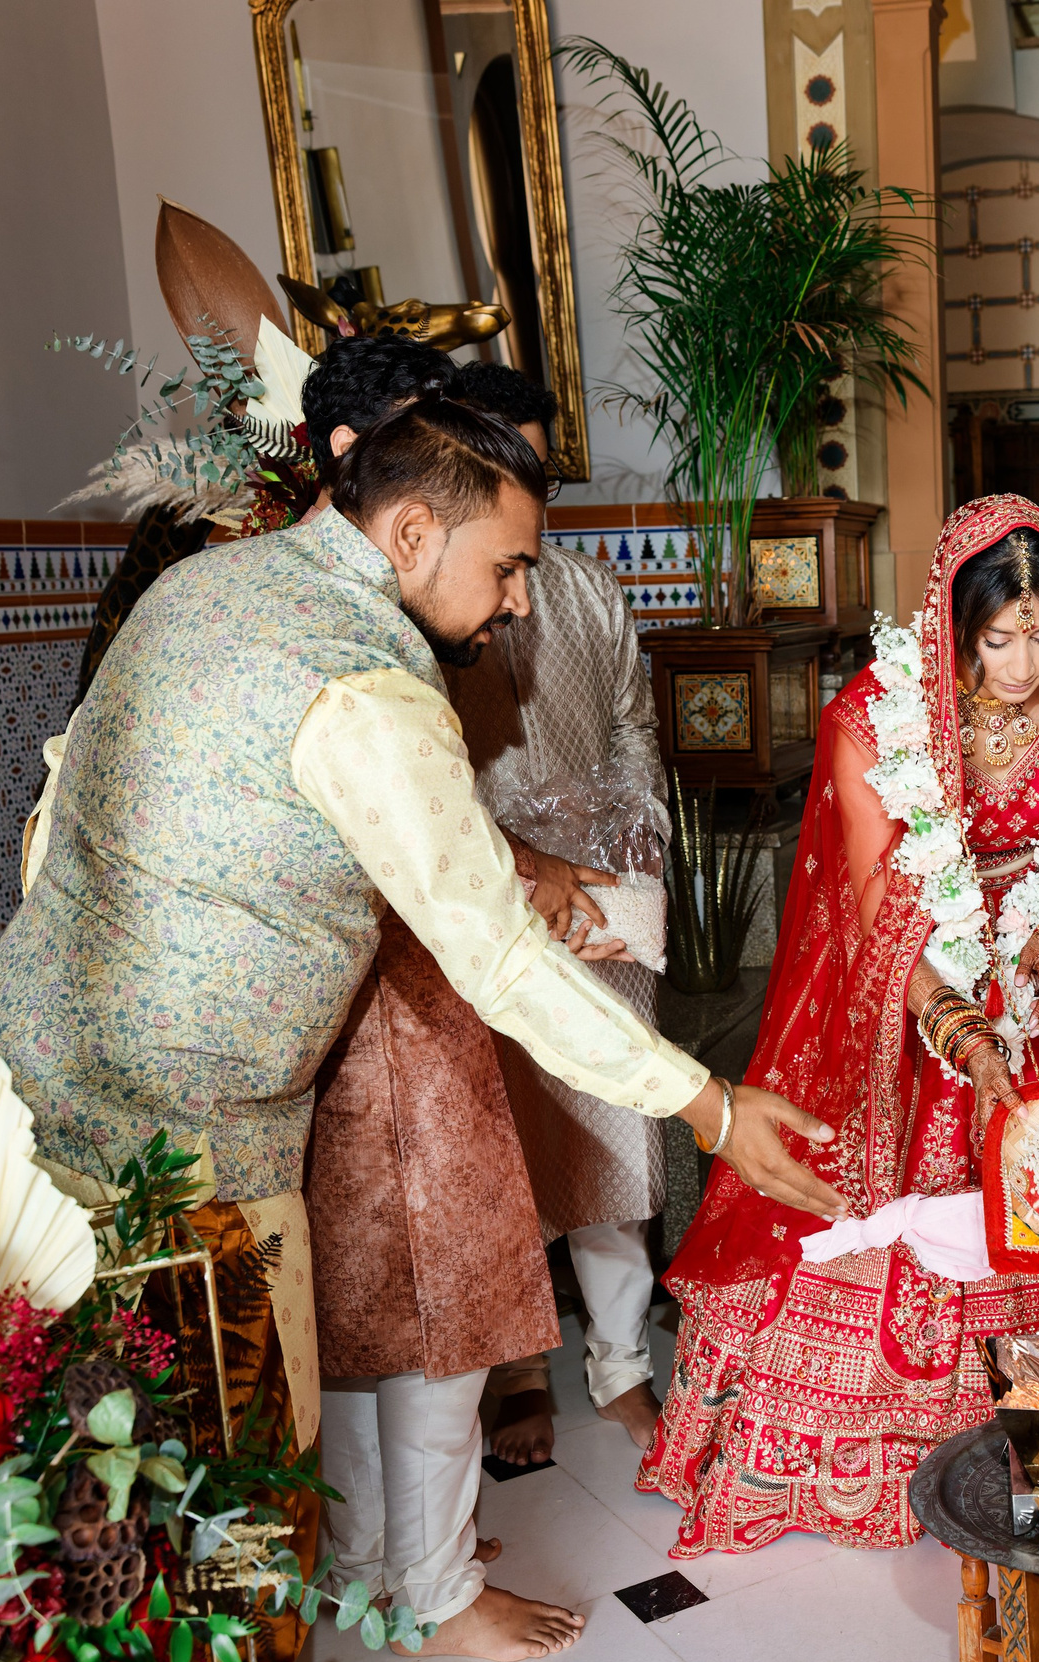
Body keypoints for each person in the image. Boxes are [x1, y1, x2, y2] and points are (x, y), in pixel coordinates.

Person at [0, 400, 843, 1659]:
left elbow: (56, 812)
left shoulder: (201, 589)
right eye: (508, 565)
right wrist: (708, 1103)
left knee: (85, 1449)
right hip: (196, 1144)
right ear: (414, 531)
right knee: (227, 1455)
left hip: (21, 1077)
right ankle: (240, 1651)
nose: (520, 602)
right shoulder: (368, 678)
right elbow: (501, 959)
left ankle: (158, 1635)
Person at [642, 495, 1039, 1557]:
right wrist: (967, 1037)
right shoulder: (870, 719)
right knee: (888, 1183)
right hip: (911, 979)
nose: (1025, 667)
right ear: (951, 626)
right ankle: (859, 1452)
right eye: (999, 640)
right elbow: (876, 911)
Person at [433, 359, 673, 1462]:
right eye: (498, 460)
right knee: (499, 1141)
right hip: (477, 900)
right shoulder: (424, 609)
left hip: (596, 900)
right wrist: (512, 860)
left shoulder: (584, 591)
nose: (523, 483)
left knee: (615, 1125)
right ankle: (519, 1370)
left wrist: (628, 839)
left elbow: (631, 726)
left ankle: (620, 1362)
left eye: (537, 466)